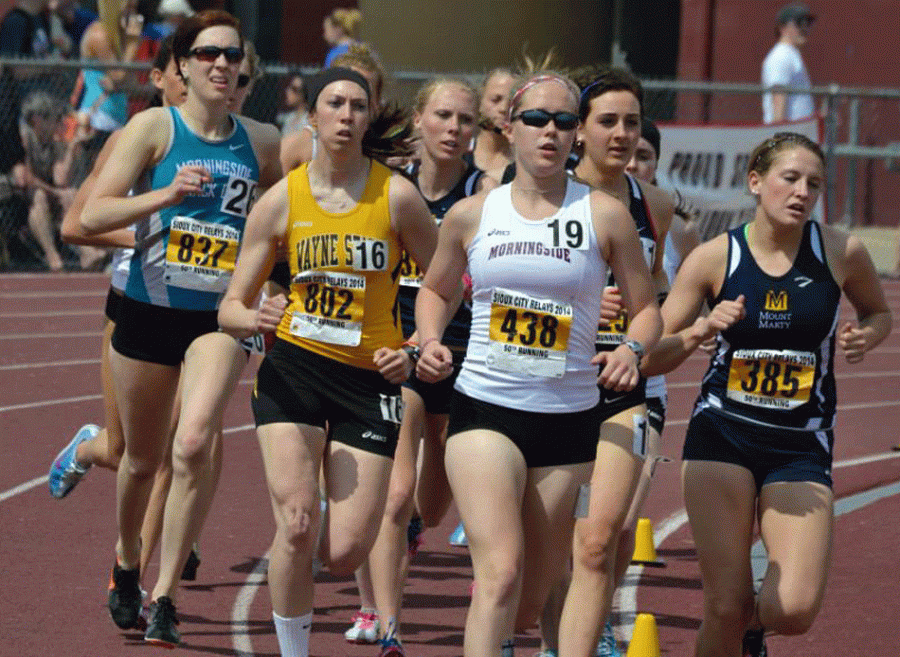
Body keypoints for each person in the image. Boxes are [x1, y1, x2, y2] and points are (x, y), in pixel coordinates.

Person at [414, 70, 661, 657]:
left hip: (568, 418)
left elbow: (647, 307)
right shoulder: (472, 215)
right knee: (498, 573)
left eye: (565, 121)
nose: (550, 132)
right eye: (537, 119)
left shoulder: (605, 215)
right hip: (484, 409)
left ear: (576, 135)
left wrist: (632, 348)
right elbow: (436, 289)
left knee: (532, 596)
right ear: (510, 127)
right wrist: (428, 338)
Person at [642, 132, 892, 657]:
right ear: (756, 182)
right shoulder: (714, 258)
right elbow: (650, 353)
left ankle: (755, 632)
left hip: (800, 445)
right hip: (722, 437)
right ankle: (736, 627)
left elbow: (878, 312)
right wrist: (700, 329)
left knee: (793, 611)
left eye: (814, 183)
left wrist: (866, 334)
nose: (802, 192)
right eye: (790, 178)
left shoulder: (841, 251)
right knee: (725, 605)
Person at [217, 66, 437, 657]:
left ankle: (316, 516)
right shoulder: (279, 201)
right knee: (294, 522)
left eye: (358, 106)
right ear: (311, 116)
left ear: (369, 118)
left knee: (343, 553)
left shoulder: (396, 196)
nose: (346, 115)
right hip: (293, 368)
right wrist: (254, 318)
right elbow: (229, 308)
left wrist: (415, 348)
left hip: (369, 381)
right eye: (334, 104)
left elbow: (446, 282)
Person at [80, 9, 280, 647]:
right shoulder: (152, 130)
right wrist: (165, 198)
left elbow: (283, 221)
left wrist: (272, 287)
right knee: (140, 461)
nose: (223, 66)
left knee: (194, 443)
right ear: (184, 67)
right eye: (209, 55)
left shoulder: (263, 140)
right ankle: (126, 561)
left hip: (218, 317)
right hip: (146, 308)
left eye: (233, 57)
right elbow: (89, 216)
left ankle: (165, 595)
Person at [345, 76, 495, 656]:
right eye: (443, 116)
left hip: (466, 362)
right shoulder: (391, 190)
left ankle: (408, 534)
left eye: (465, 120)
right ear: (419, 121)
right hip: (400, 357)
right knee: (395, 489)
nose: (454, 129)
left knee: (430, 507)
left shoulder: (488, 196)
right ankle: (390, 628)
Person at [529, 67, 672, 657]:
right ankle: (545, 639)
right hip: (545, 382)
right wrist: (581, 301)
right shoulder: (543, 195)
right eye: (607, 121)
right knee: (543, 548)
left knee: (596, 541)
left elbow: (656, 293)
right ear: (579, 130)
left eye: (631, 123)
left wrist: (648, 332)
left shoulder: (654, 204)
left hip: (624, 386)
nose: (621, 135)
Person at [49, 36, 195, 585]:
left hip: (201, 311)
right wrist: (151, 236)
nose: (201, 77)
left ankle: (134, 573)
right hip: (134, 304)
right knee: (127, 450)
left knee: (182, 449)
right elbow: (74, 225)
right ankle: (85, 450)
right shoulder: (136, 139)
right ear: (159, 79)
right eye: (184, 69)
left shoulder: (236, 148)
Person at [18, 89, 103, 270]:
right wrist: (56, 192)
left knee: (70, 194)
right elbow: (27, 178)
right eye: (54, 119)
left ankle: (87, 253)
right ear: (38, 121)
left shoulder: (52, 139)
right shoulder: (24, 137)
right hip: (21, 195)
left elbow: (60, 179)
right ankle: (52, 257)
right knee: (39, 196)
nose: (59, 123)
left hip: (47, 192)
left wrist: (72, 147)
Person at [280, 43, 384, 174]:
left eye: (363, 88)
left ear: (378, 104)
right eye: (336, 102)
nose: (347, 114)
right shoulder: (299, 148)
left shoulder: (391, 156)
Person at [762, 3, 816, 124]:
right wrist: (780, 137)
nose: (805, 29)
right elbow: (778, 96)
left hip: (797, 134)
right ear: (782, 28)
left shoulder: (791, 54)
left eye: (807, 24)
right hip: (789, 136)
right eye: (799, 24)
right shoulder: (782, 56)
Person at [467, 67, 514, 179]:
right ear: (479, 103)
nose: (503, 108)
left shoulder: (526, 161)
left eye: (511, 102)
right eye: (495, 100)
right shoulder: (461, 152)